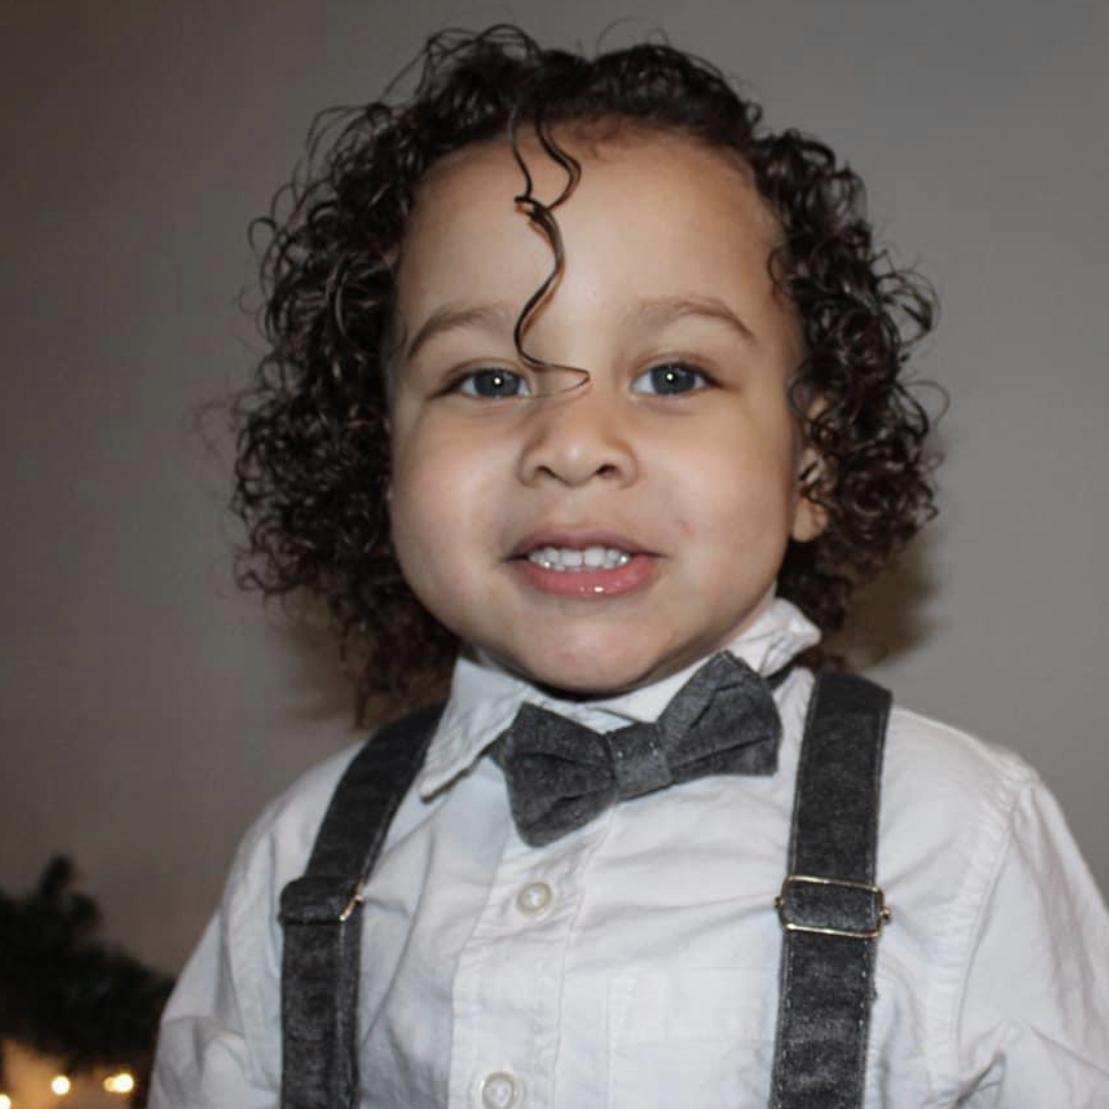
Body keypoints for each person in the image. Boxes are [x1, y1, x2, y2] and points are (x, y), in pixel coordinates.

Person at [149, 26, 1109, 1108]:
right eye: (486, 381)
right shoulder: (301, 858)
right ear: (381, 461)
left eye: (671, 373)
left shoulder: (957, 834)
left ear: (809, 461)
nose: (571, 444)